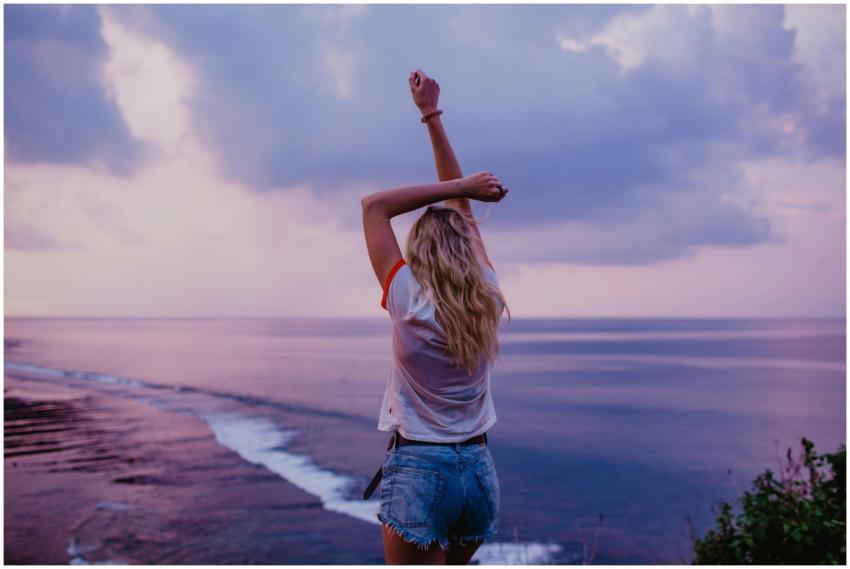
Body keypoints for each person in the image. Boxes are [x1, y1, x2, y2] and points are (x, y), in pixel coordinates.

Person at [360, 69, 511, 565]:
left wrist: (462, 183)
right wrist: (432, 117)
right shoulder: (486, 292)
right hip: (478, 472)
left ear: (418, 253)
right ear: (468, 249)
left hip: (420, 467)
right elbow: (460, 208)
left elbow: (374, 206)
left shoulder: (406, 297)